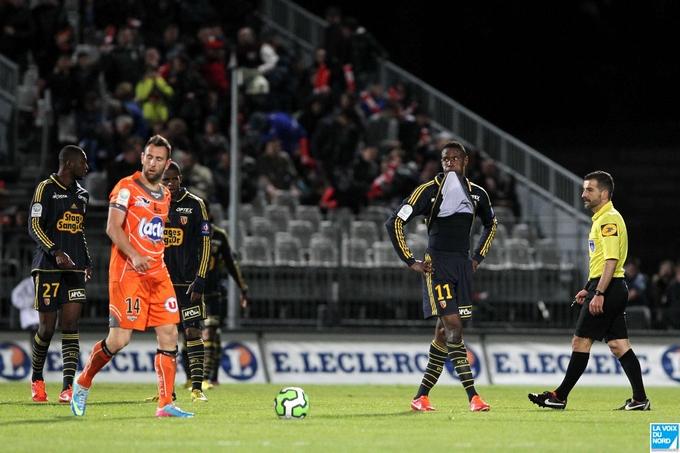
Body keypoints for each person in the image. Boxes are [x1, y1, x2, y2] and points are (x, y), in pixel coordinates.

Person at [71, 135, 194, 418]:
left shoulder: (165, 195)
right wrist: (135, 255)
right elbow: (113, 228)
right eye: (149, 157)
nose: (153, 163)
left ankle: (165, 404)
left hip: (157, 273)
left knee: (169, 333)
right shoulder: (126, 188)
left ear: (167, 163)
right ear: (142, 158)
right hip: (128, 272)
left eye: (159, 159)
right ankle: (83, 381)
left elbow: (154, 233)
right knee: (119, 340)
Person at [385, 141, 497, 412]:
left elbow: (491, 224)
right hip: (438, 267)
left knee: (443, 334)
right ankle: (473, 396)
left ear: (465, 161)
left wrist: (477, 258)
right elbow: (394, 221)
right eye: (446, 158)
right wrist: (410, 260)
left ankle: (421, 397)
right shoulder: (428, 190)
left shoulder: (478, 193)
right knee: (454, 328)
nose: (450, 162)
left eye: (455, 158)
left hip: (462, 265)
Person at [529, 171, 650, 411]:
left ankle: (559, 396)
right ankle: (640, 400)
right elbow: (601, 262)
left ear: (604, 193)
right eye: (584, 189)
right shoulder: (603, 218)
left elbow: (611, 260)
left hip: (609, 288)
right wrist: (588, 288)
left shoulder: (608, 220)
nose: (583, 194)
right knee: (618, 345)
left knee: (580, 341)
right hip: (609, 286)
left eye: (589, 190)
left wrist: (599, 293)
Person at [28, 145, 91, 404]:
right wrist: (55, 251)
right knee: (47, 328)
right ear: (69, 164)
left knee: (71, 325)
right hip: (48, 267)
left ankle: (67, 388)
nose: (87, 168)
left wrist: (86, 260)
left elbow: (79, 231)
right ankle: (37, 380)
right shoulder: (45, 188)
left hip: (74, 269)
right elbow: (34, 226)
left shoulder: (82, 195)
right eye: (83, 163)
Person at [159, 161, 211, 402]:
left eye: (174, 179)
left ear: (180, 178)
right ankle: (166, 391)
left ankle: (197, 388)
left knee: (192, 331)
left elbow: (205, 244)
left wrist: (200, 279)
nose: (170, 183)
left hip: (188, 283)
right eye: (166, 179)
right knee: (166, 336)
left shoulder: (195, 204)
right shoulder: (154, 204)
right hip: (162, 283)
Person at [202, 218, 249, 386]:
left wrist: (242, 287)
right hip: (193, 292)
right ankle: (196, 377)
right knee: (195, 335)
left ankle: (207, 377)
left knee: (212, 333)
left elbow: (231, 262)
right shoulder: (189, 232)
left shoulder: (220, 237)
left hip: (215, 293)